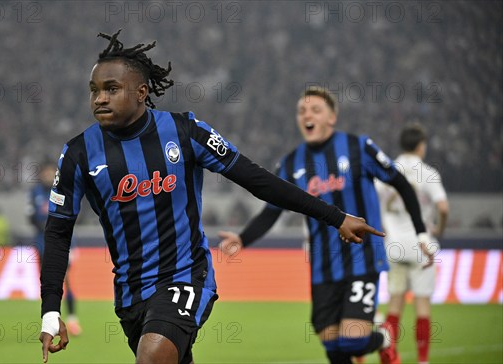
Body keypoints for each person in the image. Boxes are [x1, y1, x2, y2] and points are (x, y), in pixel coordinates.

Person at [38, 30, 384, 364]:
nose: (99, 98)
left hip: (186, 276)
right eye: (94, 90)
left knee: (153, 355)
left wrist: (335, 216)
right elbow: (57, 231)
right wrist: (50, 308)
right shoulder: (79, 154)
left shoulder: (186, 132)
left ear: (142, 92)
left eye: (111, 89)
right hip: (130, 293)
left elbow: (258, 180)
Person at [219, 87, 430, 364]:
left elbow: (400, 183)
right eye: (302, 111)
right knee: (333, 348)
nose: (307, 115)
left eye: (315, 110)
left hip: (362, 259)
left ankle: (384, 338)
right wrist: (243, 238)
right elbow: (272, 211)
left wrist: (421, 232)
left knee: (352, 340)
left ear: (332, 117)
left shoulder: (359, 147)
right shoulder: (292, 163)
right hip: (323, 266)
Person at [375, 123, 448, 364]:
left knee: (394, 304)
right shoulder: (427, 173)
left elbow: (372, 204)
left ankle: (389, 355)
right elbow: (443, 207)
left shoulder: (385, 172)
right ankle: (423, 360)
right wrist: (439, 229)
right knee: (422, 305)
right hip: (421, 247)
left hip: (393, 246)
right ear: (420, 146)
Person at [29, 163, 82, 336]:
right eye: (46, 172)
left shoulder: (61, 190)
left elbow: (70, 216)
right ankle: (50, 321)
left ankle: (73, 320)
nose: (48, 175)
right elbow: (30, 217)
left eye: (51, 172)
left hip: (61, 245)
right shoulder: (35, 193)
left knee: (64, 279)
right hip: (42, 244)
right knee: (47, 283)